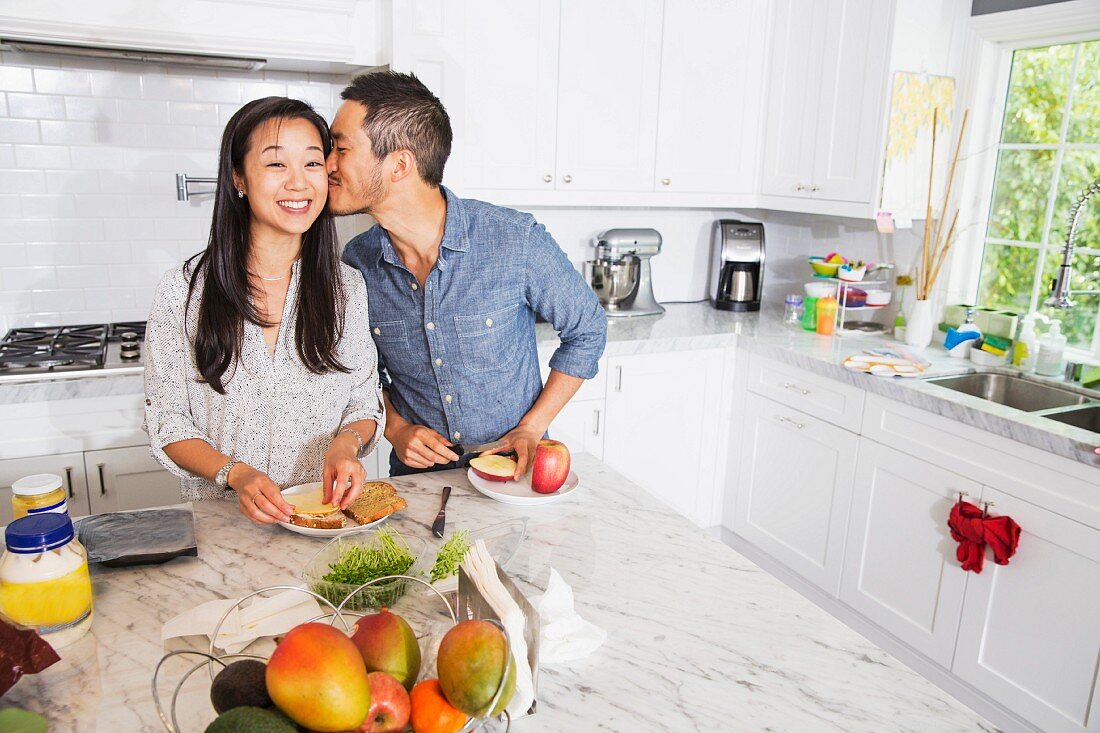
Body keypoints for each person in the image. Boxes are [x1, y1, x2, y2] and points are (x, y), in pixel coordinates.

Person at [329, 72, 606, 478]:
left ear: (399, 164)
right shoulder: (358, 261)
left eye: (340, 148)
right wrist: (396, 427)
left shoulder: (514, 239)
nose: (327, 165)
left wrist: (531, 427)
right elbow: (361, 371)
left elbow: (588, 329)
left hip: (515, 473)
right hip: (418, 480)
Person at [144, 97, 385, 525]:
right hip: (224, 526)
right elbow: (168, 422)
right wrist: (235, 474)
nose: (298, 183)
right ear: (239, 177)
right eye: (276, 165)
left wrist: (345, 445)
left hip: (324, 519)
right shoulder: (182, 292)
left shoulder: (346, 288)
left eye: (312, 164)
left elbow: (363, 402)